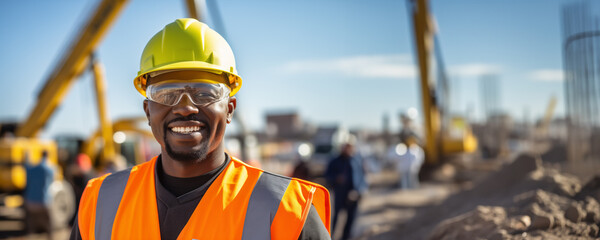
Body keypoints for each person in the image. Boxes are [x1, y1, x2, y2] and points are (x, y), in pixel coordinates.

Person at [70, 18, 331, 239]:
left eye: (205, 93)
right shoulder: (100, 202)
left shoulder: (288, 211)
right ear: (148, 111)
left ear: (229, 109)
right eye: (167, 93)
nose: (185, 107)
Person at [325, 141, 367, 240]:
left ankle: (346, 237)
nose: (348, 149)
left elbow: (363, 176)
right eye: (346, 147)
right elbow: (327, 176)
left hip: (354, 194)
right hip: (340, 193)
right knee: (336, 217)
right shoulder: (334, 161)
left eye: (350, 147)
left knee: (351, 218)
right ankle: (330, 237)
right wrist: (336, 178)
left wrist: (360, 190)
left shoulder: (357, 160)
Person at [24, 150, 56, 240]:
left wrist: (27, 156)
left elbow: (26, 167)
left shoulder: (32, 169)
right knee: (49, 227)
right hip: (44, 202)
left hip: (31, 202)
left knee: (31, 227)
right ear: (48, 156)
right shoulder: (50, 169)